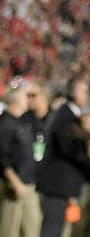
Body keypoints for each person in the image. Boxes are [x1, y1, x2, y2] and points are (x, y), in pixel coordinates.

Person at [36, 76, 90, 237]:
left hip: (61, 183)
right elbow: (70, 150)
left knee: (57, 229)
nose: (87, 95)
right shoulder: (66, 116)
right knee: (52, 230)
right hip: (57, 183)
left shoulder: (70, 114)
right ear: (72, 92)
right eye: (84, 91)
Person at [1, 82, 43, 237]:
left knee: (32, 226)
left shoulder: (22, 121)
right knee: (10, 229)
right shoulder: (5, 123)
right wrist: (14, 181)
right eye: (26, 96)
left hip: (28, 183)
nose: (29, 100)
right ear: (17, 100)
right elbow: (2, 156)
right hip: (13, 185)